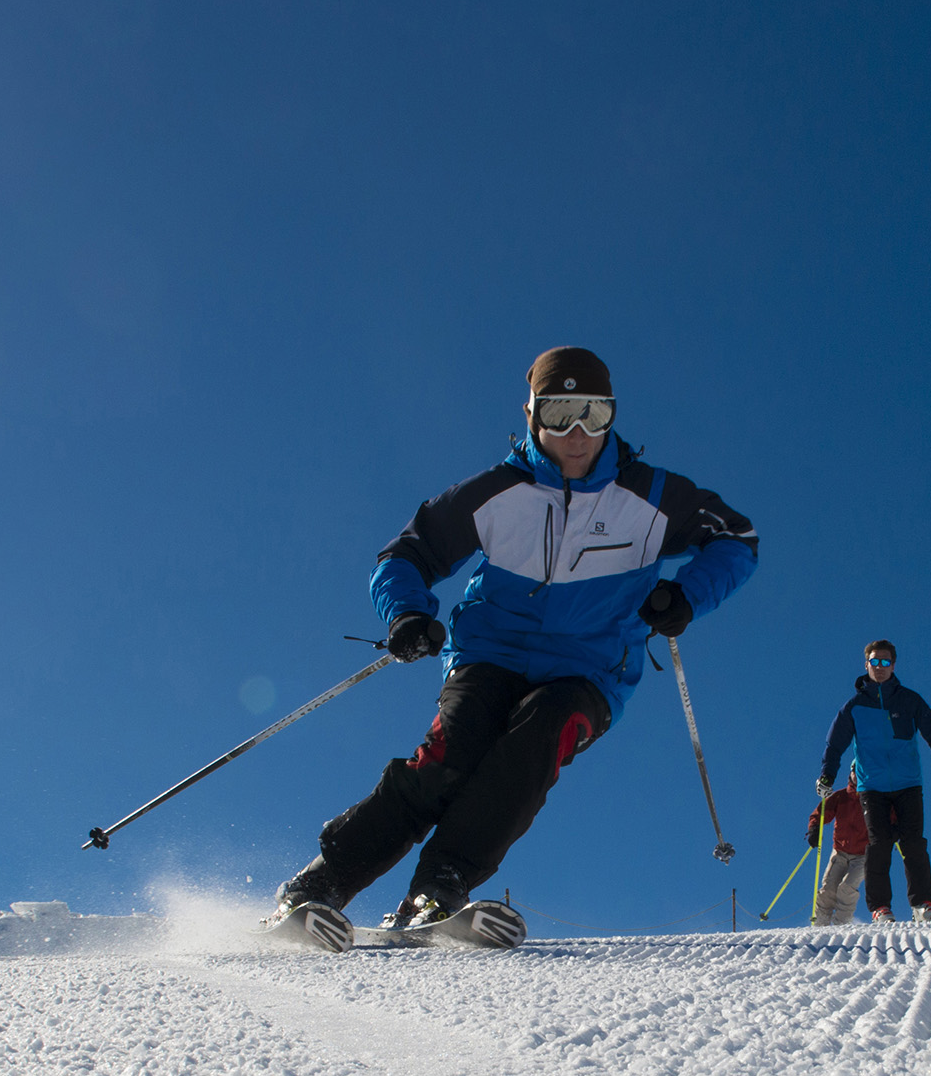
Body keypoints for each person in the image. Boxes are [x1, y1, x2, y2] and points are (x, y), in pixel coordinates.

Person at [264, 346, 760, 948]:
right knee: (448, 758)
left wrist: (686, 597)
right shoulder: (500, 491)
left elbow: (736, 538)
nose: (577, 434)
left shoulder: (652, 496)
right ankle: (321, 883)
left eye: (593, 415)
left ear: (612, 416)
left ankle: (437, 889)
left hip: (590, 670)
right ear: (532, 415)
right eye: (560, 414)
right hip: (490, 653)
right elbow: (406, 555)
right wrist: (408, 615)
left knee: (532, 749)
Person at [817, 639, 931, 923]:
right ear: (866, 665)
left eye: (885, 662)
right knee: (878, 845)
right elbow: (835, 743)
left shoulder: (909, 700)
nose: (879, 667)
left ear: (893, 665)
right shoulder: (854, 707)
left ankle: (923, 904)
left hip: (908, 783)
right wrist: (828, 774)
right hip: (872, 786)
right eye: (874, 662)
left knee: (913, 842)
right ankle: (880, 908)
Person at [807, 779, 868, 926]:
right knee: (828, 889)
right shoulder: (841, 797)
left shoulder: (871, 798)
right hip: (840, 851)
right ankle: (820, 926)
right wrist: (814, 829)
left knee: (847, 888)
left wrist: (893, 829)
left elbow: (888, 815)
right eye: (854, 771)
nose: (856, 775)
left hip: (863, 854)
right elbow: (820, 813)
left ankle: (841, 926)